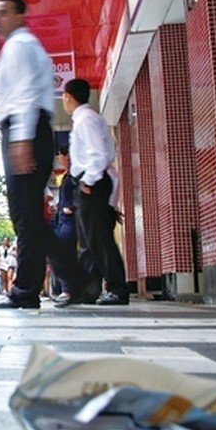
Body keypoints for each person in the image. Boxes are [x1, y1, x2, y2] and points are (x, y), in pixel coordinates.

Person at [0, 0, 85, 309]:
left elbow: (25, 96)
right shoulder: (16, 46)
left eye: (3, 13)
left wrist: (22, 140)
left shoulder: (21, 46)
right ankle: (77, 278)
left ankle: (27, 290)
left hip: (25, 130)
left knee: (26, 217)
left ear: (20, 16)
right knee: (28, 218)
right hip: (24, 130)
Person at [61, 78, 130, 306]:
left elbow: (98, 153)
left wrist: (88, 181)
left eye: (63, 96)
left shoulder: (86, 120)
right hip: (91, 180)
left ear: (69, 96)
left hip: (95, 181)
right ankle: (87, 291)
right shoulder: (83, 119)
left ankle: (118, 289)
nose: (63, 100)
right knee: (88, 241)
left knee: (99, 239)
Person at [49, 146, 80, 305]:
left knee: (64, 252)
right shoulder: (66, 175)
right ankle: (66, 288)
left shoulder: (76, 173)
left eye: (63, 156)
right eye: (60, 157)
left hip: (70, 219)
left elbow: (82, 193)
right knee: (60, 252)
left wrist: (73, 208)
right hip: (61, 218)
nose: (61, 160)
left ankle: (68, 290)